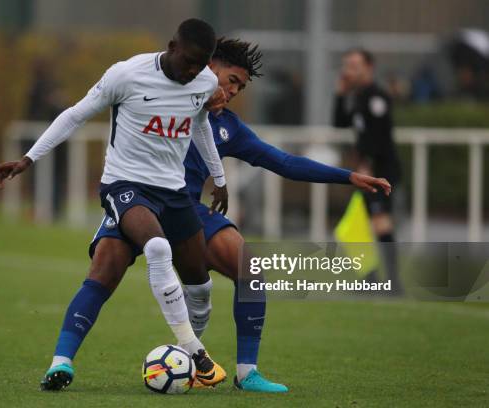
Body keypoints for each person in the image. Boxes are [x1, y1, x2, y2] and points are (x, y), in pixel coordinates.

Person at [51, 38, 392, 393]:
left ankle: (247, 373)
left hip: (185, 211)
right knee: (103, 272)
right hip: (135, 199)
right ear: (208, 66)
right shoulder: (161, 91)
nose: (233, 91)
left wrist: (347, 176)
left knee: (250, 267)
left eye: (240, 87)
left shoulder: (227, 127)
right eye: (231, 80)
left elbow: (284, 162)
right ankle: (61, 362)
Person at [0, 18, 229, 390]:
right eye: (188, 62)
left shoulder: (205, 82)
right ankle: (192, 351)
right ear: (171, 46)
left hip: (174, 192)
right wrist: (29, 158)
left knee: (199, 285)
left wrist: (220, 176)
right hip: (125, 185)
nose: (193, 72)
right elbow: (74, 115)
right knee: (156, 247)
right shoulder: (126, 75)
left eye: (201, 65)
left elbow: (199, 124)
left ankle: (189, 365)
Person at [333, 48, 401, 291]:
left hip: (379, 172)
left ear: (368, 67)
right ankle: (371, 281)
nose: (348, 70)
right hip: (367, 172)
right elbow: (340, 123)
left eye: (353, 65)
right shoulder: (359, 96)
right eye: (346, 65)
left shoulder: (376, 97)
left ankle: (392, 283)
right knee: (352, 228)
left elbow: (380, 138)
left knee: (379, 223)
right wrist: (340, 95)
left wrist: (368, 163)